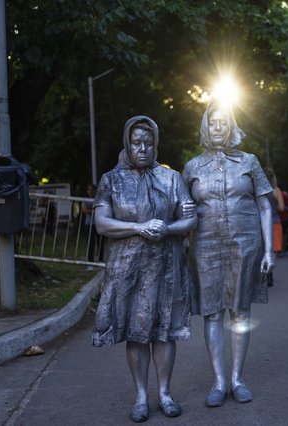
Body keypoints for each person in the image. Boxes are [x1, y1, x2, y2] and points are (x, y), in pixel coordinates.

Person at [91, 115, 197, 422]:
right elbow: (102, 223)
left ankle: (164, 392)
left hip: (166, 266)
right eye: (137, 142)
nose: (143, 149)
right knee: (137, 332)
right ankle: (140, 396)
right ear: (126, 142)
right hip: (128, 268)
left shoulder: (170, 178)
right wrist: (140, 227)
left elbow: (190, 218)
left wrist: (169, 228)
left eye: (149, 143)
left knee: (165, 331)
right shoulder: (111, 180)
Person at [183, 101, 274, 408]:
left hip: (245, 245)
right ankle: (219, 382)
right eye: (212, 122)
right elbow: (183, 211)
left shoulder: (249, 161)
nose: (217, 127)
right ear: (204, 127)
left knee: (240, 312)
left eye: (223, 122)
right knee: (212, 312)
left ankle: (237, 379)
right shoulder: (192, 167)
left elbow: (264, 205)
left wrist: (269, 250)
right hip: (206, 248)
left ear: (232, 125)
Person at [263, 167, 285, 286]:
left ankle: (265, 272)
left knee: (263, 249)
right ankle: (269, 271)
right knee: (274, 250)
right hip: (274, 222)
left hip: (261, 224)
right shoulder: (276, 190)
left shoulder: (257, 190)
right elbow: (281, 208)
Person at [82, 183, 103, 269]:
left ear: (95, 190)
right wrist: (95, 210)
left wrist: (93, 210)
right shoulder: (85, 200)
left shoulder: (99, 199)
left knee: (100, 242)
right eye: (89, 189)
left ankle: (100, 260)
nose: (90, 191)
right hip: (89, 224)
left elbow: (102, 210)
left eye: (92, 189)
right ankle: (90, 262)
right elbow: (85, 210)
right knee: (90, 243)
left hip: (99, 223)